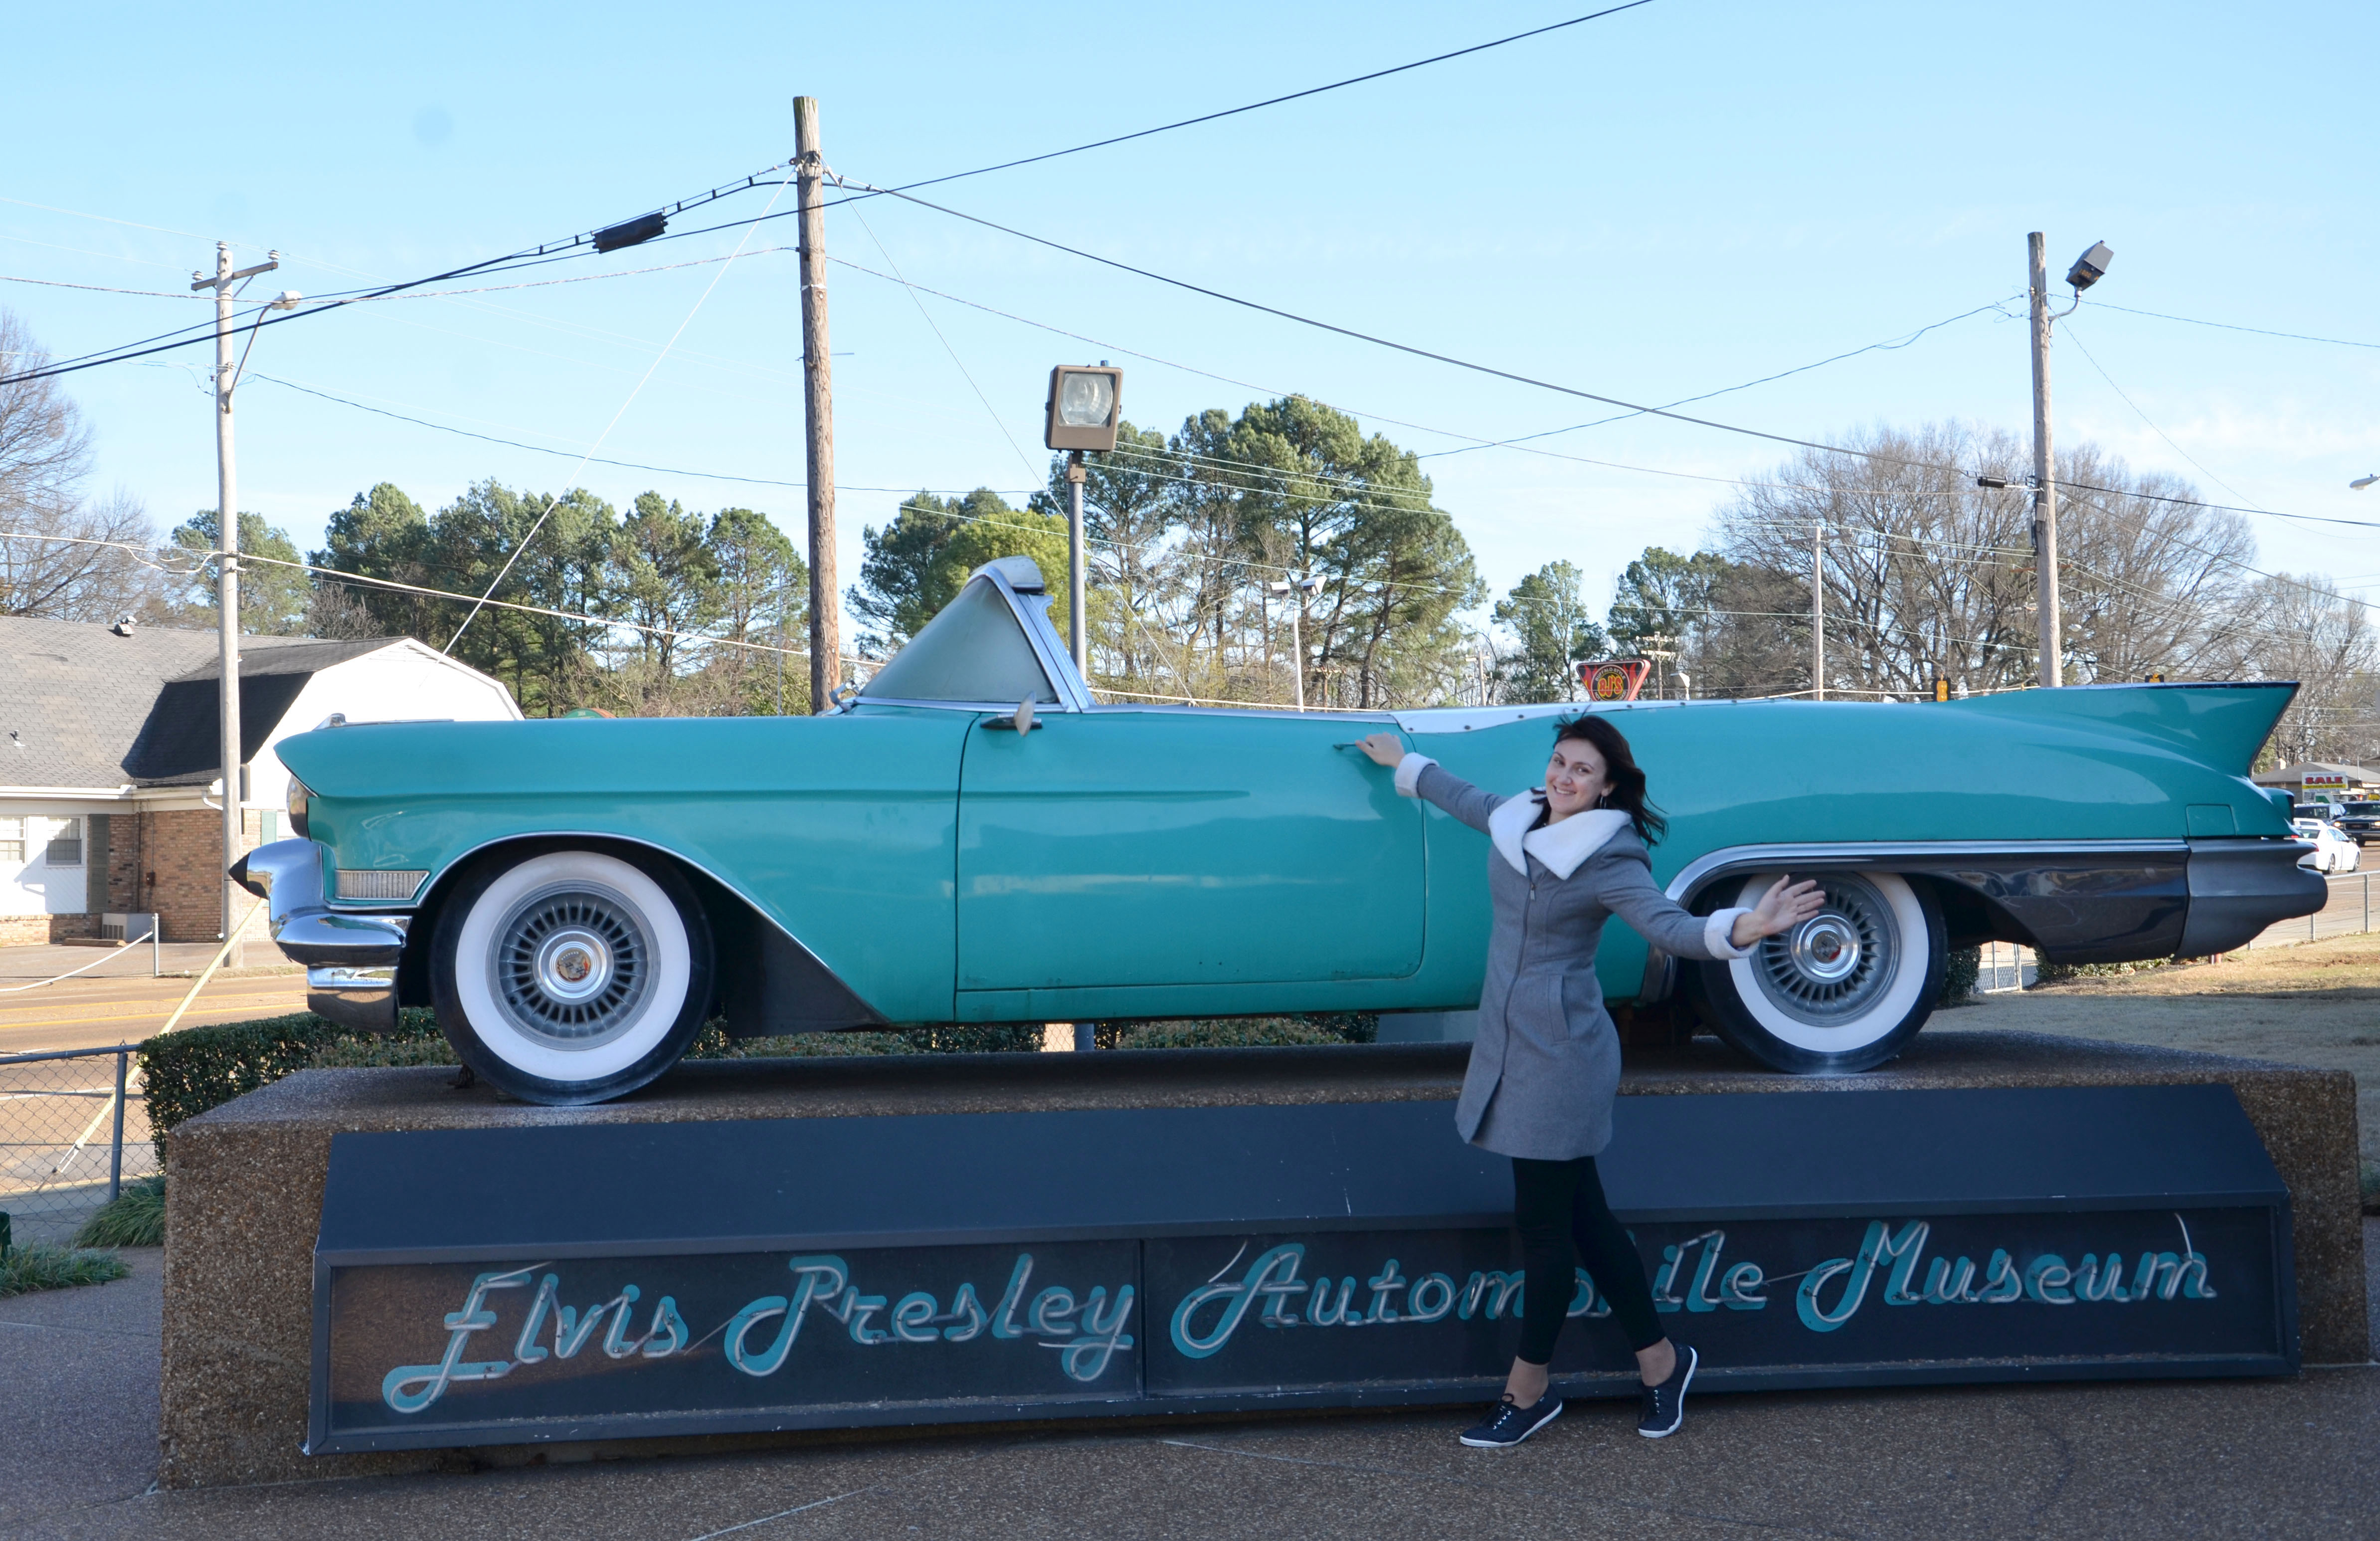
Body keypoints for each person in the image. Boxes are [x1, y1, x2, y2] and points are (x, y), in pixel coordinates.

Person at [1353, 715, 1823, 1450]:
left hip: (1562, 1057)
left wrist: (1744, 927)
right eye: (1558, 762)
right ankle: (1663, 1364)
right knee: (1587, 1223)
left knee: (1545, 1233)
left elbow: (1666, 926)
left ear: (1606, 786)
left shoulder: (1608, 855)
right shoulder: (1519, 816)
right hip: (1513, 1046)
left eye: (1581, 771)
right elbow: (1467, 798)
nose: (1563, 777)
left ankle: (1527, 1392)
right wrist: (1404, 764)